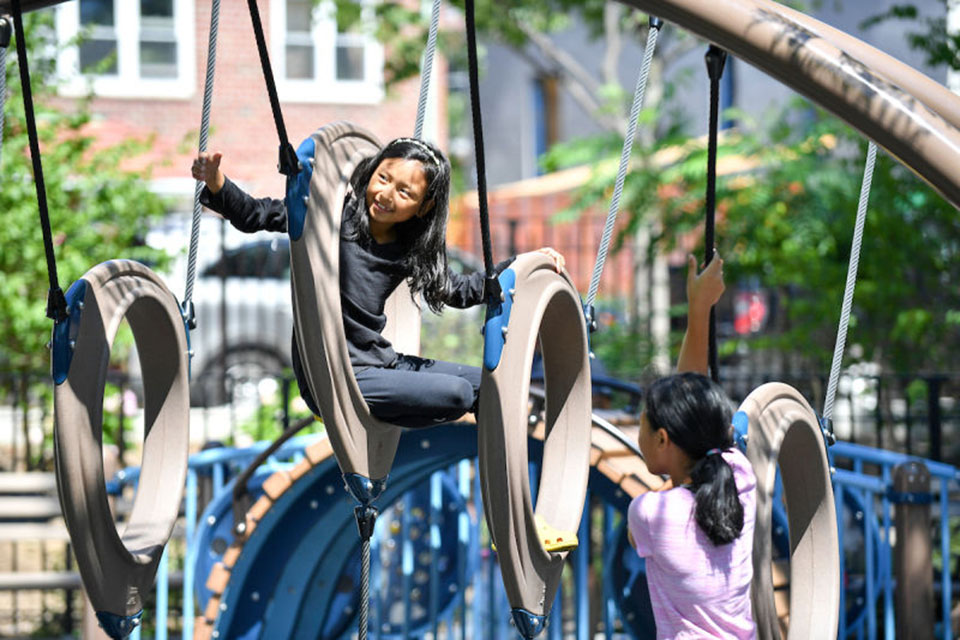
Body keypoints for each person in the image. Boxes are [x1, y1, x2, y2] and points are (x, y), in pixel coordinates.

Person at [192, 137, 564, 428]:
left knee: (490, 384)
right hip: (337, 374)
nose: (386, 194)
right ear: (371, 172)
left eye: (405, 193)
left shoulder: (408, 248)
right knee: (457, 394)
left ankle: (501, 464)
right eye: (383, 178)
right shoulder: (330, 219)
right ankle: (375, 415)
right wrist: (217, 183)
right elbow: (256, 214)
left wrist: (523, 263)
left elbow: (460, 291)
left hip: (379, 364)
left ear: (424, 207)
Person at [627, 253, 757, 639]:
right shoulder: (740, 477)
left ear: (663, 439)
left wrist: (698, 309)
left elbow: (690, 390)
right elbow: (691, 395)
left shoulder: (650, 513)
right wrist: (701, 309)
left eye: (643, 427)